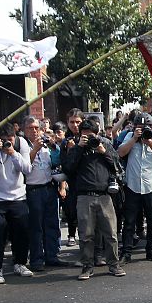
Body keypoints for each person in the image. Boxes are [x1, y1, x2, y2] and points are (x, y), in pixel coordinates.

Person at [63, 119, 125, 279]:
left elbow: (117, 166)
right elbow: (68, 168)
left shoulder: (104, 145)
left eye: (90, 136)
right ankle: (87, 266)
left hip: (105, 195)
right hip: (84, 196)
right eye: (84, 136)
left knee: (111, 234)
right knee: (86, 235)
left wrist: (103, 150)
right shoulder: (76, 148)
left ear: (97, 134)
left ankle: (114, 265)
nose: (88, 139)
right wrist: (78, 148)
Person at [0, 123, 34, 284]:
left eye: (10, 139)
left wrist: (13, 153)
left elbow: (26, 168)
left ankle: (20, 263)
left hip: (17, 196)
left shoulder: (21, 143)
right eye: (3, 140)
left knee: (22, 231)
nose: (7, 142)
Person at [117, 112, 152, 263]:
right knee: (130, 221)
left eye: (147, 127)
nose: (144, 130)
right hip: (132, 185)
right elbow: (120, 152)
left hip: (150, 185)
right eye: (140, 127)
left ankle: (151, 250)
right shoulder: (130, 136)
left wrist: (150, 143)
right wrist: (134, 138)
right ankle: (126, 252)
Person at [21, 116, 66, 271]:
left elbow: (56, 162)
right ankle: (36, 259)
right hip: (33, 189)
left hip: (49, 187)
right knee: (36, 227)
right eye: (30, 128)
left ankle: (52, 256)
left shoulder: (45, 143)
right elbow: (24, 166)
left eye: (36, 128)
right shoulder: (22, 144)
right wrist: (35, 149)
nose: (33, 131)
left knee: (52, 224)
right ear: (24, 129)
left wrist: (54, 147)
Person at [61, 109, 84, 247]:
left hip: (88, 183)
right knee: (73, 212)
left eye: (78, 122)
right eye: (72, 122)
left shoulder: (89, 137)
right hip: (74, 184)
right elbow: (65, 166)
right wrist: (71, 151)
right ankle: (72, 235)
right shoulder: (66, 142)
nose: (75, 125)